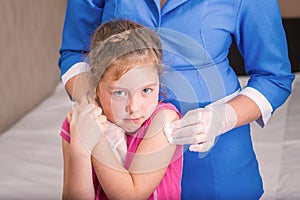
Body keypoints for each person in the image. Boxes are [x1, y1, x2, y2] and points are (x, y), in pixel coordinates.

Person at [58, 0, 295, 199]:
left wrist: (224, 117)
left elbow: (274, 77)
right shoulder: (94, 131)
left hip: (214, 162)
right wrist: (96, 115)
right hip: (116, 156)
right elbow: (74, 52)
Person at [60, 19, 183, 200]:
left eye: (146, 90)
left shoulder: (164, 121)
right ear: (96, 87)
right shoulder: (75, 124)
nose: (133, 107)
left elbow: (130, 195)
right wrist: (80, 150)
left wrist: (94, 139)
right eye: (119, 92)